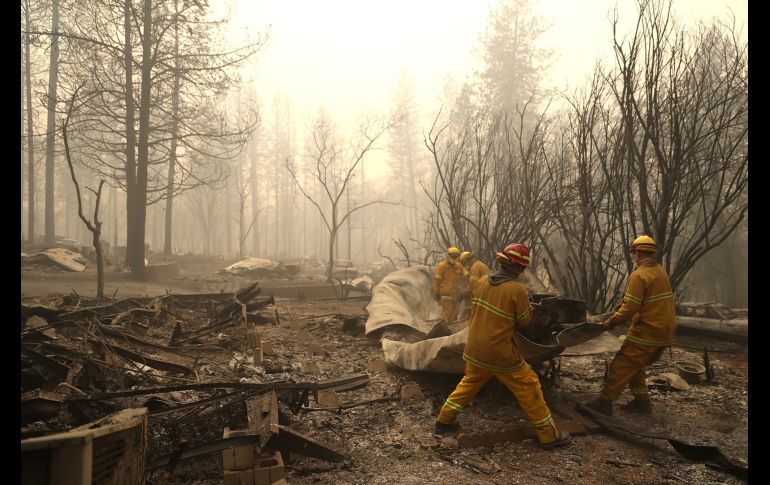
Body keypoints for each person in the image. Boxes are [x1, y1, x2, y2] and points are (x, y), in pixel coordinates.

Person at [434, 243, 571, 450]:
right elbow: (525, 323)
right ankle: (548, 435)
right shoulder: (517, 289)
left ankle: (444, 420)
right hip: (500, 352)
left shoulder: (481, 282)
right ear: (519, 268)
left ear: (501, 261)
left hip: (475, 347)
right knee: (529, 384)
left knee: (470, 382)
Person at [586, 235, 677, 416]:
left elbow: (631, 308)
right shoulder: (660, 271)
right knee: (636, 365)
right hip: (665, 331)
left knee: (621, 365)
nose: (633, 257)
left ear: (636, 253)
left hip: (647, 331)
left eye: (633, 253)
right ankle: (642, 403)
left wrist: (609, 323)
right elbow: (639, 301)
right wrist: (622, 306)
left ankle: (604, 403)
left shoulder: (639, 275)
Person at [432, 247, 464, 323]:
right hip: (446, 296)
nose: (455, 258)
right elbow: (437, 281)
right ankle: (446, 331)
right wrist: (437, 293)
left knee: (455, 317)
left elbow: (466, 276)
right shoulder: (442, 266)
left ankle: (453, 332)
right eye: (453, 256)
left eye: (456, 256)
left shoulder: (459, 266)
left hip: (456, 296)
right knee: (448, 316)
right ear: (448, 256)